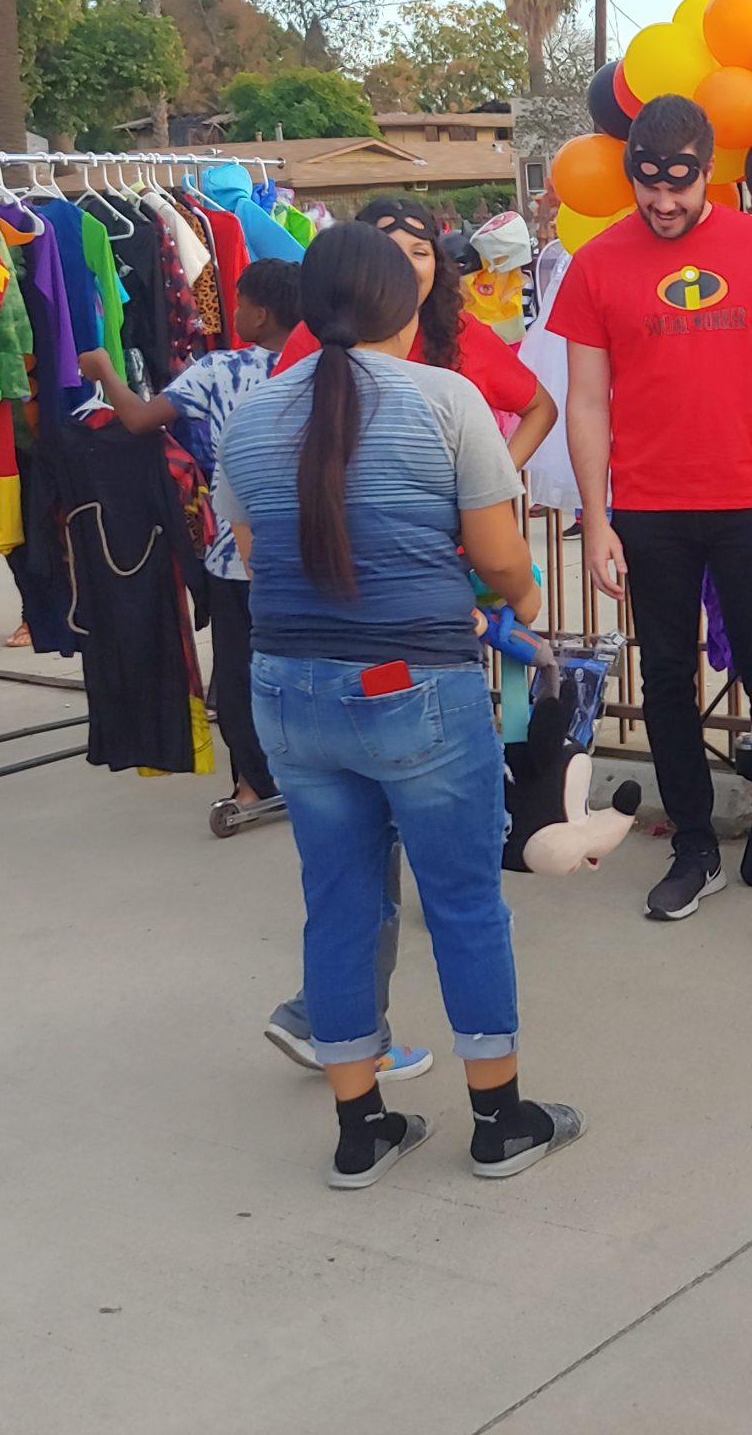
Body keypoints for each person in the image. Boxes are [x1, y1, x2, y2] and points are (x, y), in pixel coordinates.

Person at [214, 222, 579, 1189]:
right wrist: (525, 606)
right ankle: (499, 1122)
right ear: (406, 308)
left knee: (337, 903)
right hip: (414, 685)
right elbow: (500, 560)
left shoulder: (251, 417)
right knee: (463, 902)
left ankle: (360, 1130)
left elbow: (253, 558)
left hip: (287, 692)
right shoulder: (446, 400)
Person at [555, 94, 752, 920]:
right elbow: (586, 400)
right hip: (649, 509)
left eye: (680, 185)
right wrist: (598, 519)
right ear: (631, 175)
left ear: (710, 171)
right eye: (649, 187)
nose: (665, 203)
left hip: (747, 504)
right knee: (669, 681)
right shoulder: (598, 263)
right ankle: (694, 846)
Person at [79, 258, 302, 819]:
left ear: (261, 311)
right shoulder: (321, 367)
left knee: (238, 674)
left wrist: (106, 371)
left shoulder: (220, 370)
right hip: (305, 552)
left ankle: (254, 784)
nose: (232, 312)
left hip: (235, 554)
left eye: (240, 303)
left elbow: (139, 419)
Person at [275, 195, 558, 469]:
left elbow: (540, 408)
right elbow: (275, 425)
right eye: (389, 252)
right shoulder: (316, 333)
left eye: (419, 253)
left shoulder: (460, 332)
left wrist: (495, 483)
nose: (405, 267)